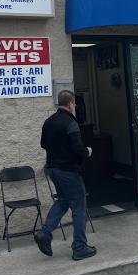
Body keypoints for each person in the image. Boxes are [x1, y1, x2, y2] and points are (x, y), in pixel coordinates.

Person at [34, 90, 96, 260]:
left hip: (53, 169)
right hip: (68, 171)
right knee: (79, 206)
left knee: (62, 201)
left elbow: (43, 144)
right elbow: (77, 148)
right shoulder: (70, 122)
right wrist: (87, 152)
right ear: (70, 104)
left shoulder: (48, 122)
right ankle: (79, 247)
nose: (74, 107)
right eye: (73, 104)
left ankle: (44, 233)